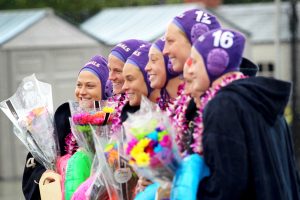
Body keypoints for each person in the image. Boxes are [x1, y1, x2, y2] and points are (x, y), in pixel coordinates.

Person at [183, 28, 300, 199]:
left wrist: (188, 189)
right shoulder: (262, 99)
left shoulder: (223, 105)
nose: (190, 70)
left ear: (215, 64)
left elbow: (227, 187)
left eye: (195, 61)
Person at [22, 55, 110, 200]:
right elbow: (34, 166)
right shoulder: (63, 117)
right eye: (79, 85)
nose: (81, 91)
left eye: (90, 86)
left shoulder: (114, 121)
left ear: (106, 89)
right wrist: (48, 175)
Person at [145, 37, 182, 111]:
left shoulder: (194, 103)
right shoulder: (161, 111)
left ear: (170, 62)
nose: (146, 68)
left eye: (153, 60)